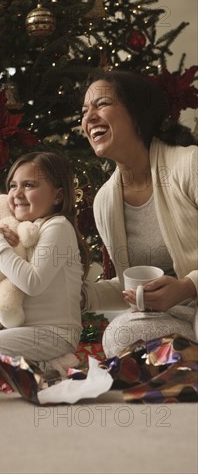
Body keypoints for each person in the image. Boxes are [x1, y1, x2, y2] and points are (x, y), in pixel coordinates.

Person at [81, 69, 198, 357]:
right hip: (174, 319)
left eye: (102, 104)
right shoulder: (105, 201)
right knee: (118, 335)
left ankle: (180, 361)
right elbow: (127, 287)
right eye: (84, 111)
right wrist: (82, 296)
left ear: (137, 113)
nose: (89, 117)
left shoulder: (189, 165)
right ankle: (185, 358)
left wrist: (187, 286)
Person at [0, 151, 90, 378]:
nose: (17, 193)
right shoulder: (18, 229)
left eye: (29, 185)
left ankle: (52, 366)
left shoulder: (57, 226)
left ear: (57, 196)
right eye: (12, 185)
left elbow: (32, 283)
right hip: (18, 329)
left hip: (54, 334)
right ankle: (38, 364)